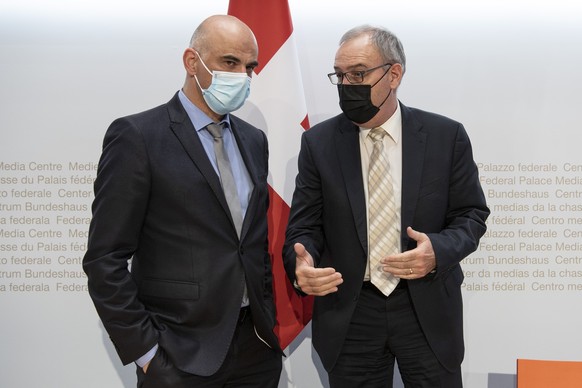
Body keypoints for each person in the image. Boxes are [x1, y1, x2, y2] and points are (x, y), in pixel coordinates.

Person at [283, 25, 490, 388]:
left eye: (359, 73)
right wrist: (302, 263)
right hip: (351, 311)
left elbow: (471, 216)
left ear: (394, 74)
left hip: (424, 307)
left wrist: (436, 251)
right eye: (340, 75)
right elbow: (304, 228)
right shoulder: (319, 143)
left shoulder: (445, 136)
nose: (347, 84)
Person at [83, 15, 283, 388]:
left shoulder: (253, 140)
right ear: (193, 62)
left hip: (256, 351)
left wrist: (267, 323)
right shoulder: (138, 136)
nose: (242, 76)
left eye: (249, 66)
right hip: (178, 356)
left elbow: (248, 246)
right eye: (229, 62)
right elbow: (104, 259)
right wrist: (147, 356)